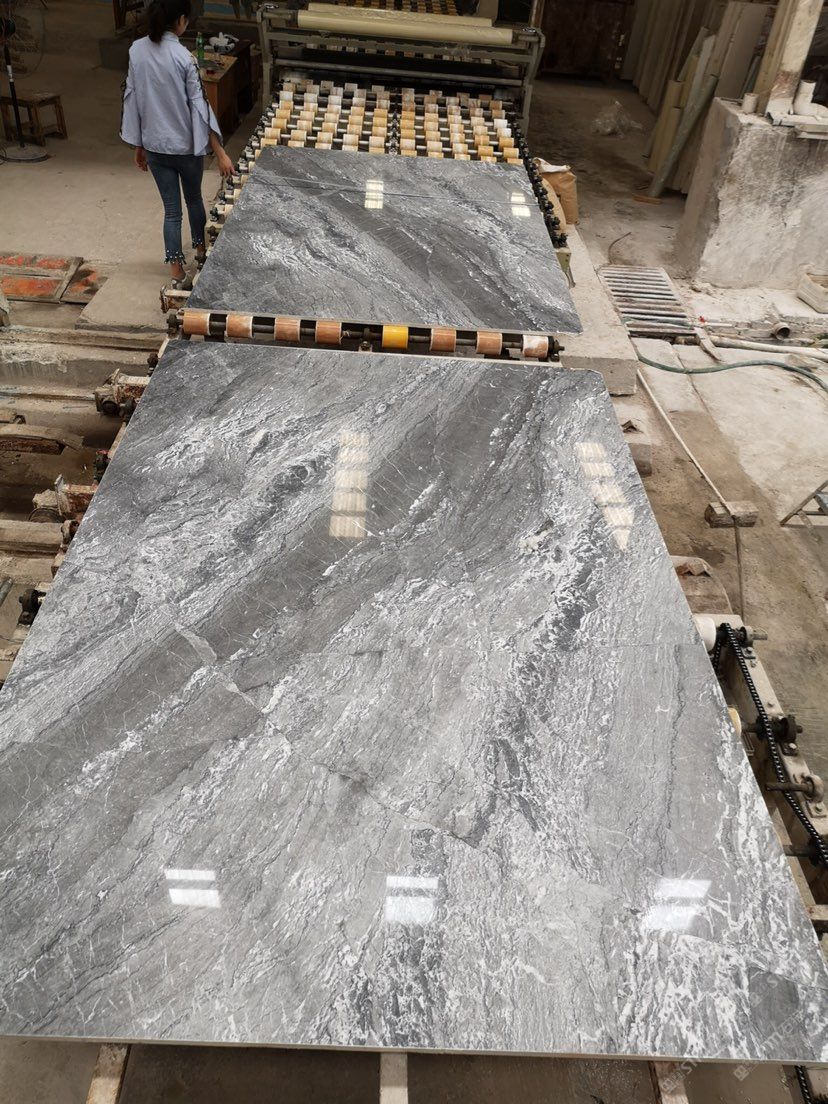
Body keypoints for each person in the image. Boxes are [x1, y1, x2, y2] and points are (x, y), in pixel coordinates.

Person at [120, 0, 234, 288]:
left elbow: (134, 100)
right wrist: (220, 152)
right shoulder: (185, 58)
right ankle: (200, 252)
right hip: (185, 147)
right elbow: (200, 107)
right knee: (193, 199)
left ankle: (176, 274)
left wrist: (139, 145)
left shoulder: (136, 51)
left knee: (171, 211)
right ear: (181, 20)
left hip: (155, 146)